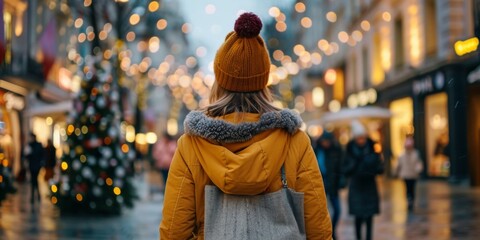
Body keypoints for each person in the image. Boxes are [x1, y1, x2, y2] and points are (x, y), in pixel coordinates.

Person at [160, 12, 332, 239]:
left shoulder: (192, 145)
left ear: (219, 81)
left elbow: (174, 232)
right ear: (264, 81)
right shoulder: (294, 141)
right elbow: (318, 230)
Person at [344, 120, 384, 240]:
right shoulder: (349, 150)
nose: (361, 140)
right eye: (359, 138)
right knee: (358, 217)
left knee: (369, 217)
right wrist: (355, 164)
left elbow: (381, 169)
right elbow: (345, 169)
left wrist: (372, 163)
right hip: (356, 187)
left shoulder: (373, 149)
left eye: (363, 137)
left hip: (369, 187)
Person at [313, 131, 344, 240]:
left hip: (333, 184)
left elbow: (340, 167)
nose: (326, 143)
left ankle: (332, 229)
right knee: (321, 210)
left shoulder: (336, 150)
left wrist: (340, 180)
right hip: (320, 183)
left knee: (337, 210)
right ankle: (326, 232)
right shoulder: (316, 150)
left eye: (327, 141)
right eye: (324, 141)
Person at [396, 136, 423, 211]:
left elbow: (418, 163)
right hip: (405, 174)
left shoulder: (415, 153)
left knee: (412, 188)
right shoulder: (401, 155)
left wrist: (419, 169)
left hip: (413, 174)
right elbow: (398, 164)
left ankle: (411, 200)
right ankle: (409, 200)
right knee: (408, 188)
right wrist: (396, 171)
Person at [24, 133, 45, 204]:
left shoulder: (38, 145)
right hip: (31, 165)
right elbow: (26, 156)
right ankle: (37, 196)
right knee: (34, 180)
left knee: (34, 180)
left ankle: (34, 197)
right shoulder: (29, 145)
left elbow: (42, 155)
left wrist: (41, 163)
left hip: (37, 166)